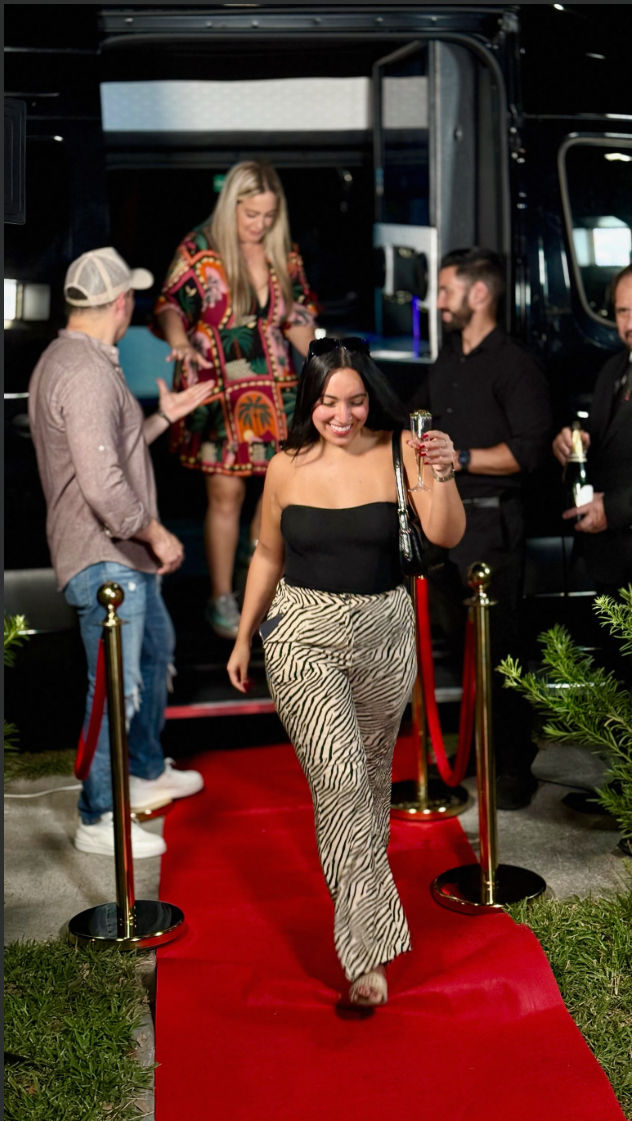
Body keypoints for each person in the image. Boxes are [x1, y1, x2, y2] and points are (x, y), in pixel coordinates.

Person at [227, 337, 465, 1007]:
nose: (342, 414)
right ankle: (366, 956)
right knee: (340, 782)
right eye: (329, 401)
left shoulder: (401, 450)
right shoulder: (285, 466)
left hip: (385, 631)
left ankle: (366, 928)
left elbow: (445, 536)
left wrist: (443, 471)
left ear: (371, 398)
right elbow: (267, 554)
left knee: (369, 787)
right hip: (303, 634)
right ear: (310, 399)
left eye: (356, 400)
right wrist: (245, 636)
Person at [28, 247, 214, 858]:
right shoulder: (83, 371)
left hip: (119, 554)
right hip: (105, 554)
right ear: (121, 303)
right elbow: (104, 486)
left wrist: (162, 418)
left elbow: (107, 453)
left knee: (155, 654)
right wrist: (156, 533)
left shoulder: (74, 359)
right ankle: (98, 816)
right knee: (115, 687)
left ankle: (145, 769)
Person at [409, 247, 553, 810]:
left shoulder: (515, 365)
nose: (438, 301)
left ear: (479, 293)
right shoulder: (450, 359)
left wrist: (460, 457)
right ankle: (474, 755)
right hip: (445, 524)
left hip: (493, 525)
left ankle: (513, 770)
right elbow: (411, 419)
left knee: (499, 655)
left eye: (447, 290)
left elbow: (529, 452)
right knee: (460, 653)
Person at [152, 160, 318, 639]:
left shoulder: (283, 251)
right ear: (231, 206)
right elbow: (170, 304)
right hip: (222, 387)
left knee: (278, 491)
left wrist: (328, 361)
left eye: (268, 215)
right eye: (251, 215)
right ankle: (221, 595)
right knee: (226, 495)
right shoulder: (200, 249)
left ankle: (254, 575)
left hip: (277, 388)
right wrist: (179, 342)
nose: (260, 224)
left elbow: (299, 316)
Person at [552, 264, 632, 597]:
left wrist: (612, 510)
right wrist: (573, 442)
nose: (630, 323)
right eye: (623, 311)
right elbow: (603, 438)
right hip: (608, 558)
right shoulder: (613, 368)